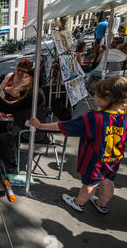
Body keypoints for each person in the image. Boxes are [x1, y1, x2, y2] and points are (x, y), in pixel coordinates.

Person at [30, 77, 127, 214]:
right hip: (113, 159)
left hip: (94, 161)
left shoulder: (94, 118)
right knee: (108, 182)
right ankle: (102, 204)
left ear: (106, 99)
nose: (94, 96)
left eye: (96, 94)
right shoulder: (123, 117)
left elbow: (64, 126)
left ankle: (78, 203)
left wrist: (40, 125)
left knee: (89, 185)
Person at [0, 72, 48, 172]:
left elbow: (11, 108)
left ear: (33, 80)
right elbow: (14, 105)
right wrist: (0, 106)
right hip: (20, 125)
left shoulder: (35, 95)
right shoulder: (30, 92)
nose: (22, 79)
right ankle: (2, 153)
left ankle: (11, 167)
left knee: (0, 140)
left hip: (28, 131)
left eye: (26, 77)